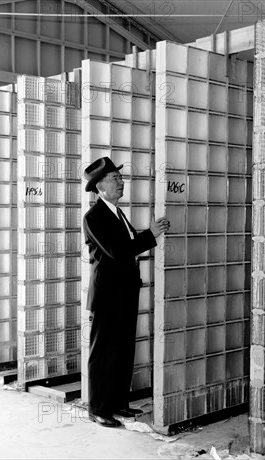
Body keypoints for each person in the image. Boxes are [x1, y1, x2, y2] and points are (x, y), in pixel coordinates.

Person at [83, 157, 170, 428]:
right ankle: (98, 408)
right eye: (114, 179)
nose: (121, 182)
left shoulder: (117, 213)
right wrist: (150, 235)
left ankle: (119, 403)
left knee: (122, 351)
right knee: (103, 353)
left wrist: (144, 236)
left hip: (124, 292)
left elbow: (126, 243)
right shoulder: (94, 217)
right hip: (107, 296)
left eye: (120, 178)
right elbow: (118, 251)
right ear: (100, 187)